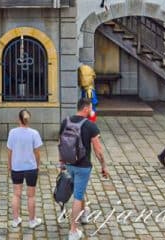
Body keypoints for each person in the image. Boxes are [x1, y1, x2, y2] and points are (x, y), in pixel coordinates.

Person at [59, 98, 109, 240]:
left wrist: (61, 163)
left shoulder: (66, 121)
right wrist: (104, 165)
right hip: (83, 166)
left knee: (79, 189)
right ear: (86, 108)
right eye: (91, 108)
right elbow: (98, 150)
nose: (92, 111)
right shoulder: (90, 125)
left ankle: (84, 214)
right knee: (78, 196)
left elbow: (61, 143)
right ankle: (73, 231)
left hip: (69, 163)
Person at [7, 110, 43, 230]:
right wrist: (37, 165)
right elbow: (37, 153)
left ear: (19, 120)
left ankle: (16, 219)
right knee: (31, 196)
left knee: (16, 194)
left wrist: (9, 166)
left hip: (16, 167)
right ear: (29, 120)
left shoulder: (12, 133)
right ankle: (32, 221)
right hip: (31, 168)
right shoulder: (34, 133)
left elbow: (10, 151)